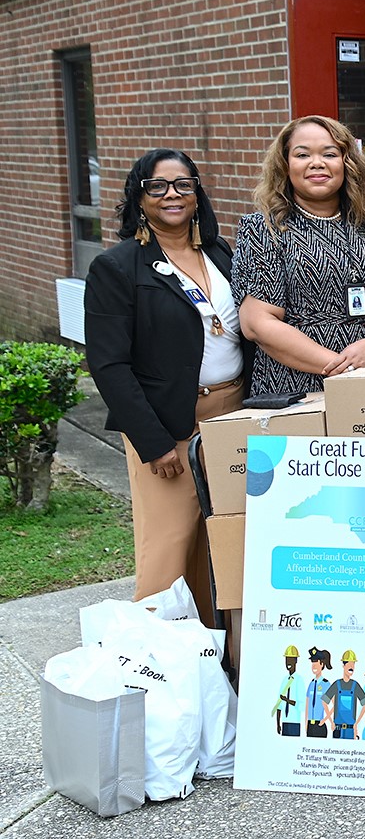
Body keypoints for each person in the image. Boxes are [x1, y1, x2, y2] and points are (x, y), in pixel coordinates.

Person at [85, 148, 248, 625]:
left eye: (183, 184)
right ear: (139, 196)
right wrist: (153, 444)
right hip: (169, 424)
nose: (172, 194)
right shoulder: (118, 268)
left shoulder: (220, 253)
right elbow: (110, 364)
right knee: (168, 554)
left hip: (232, 414)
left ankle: (211, 662)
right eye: (158, 186)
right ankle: (155, 672)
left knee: (220, 548)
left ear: (198, 193)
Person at [233, 115, 365, 395]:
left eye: (330, 154)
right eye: (302, 154)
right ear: (285, 165)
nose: (317, 163)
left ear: (347, 163)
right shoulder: (266, 229)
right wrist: (344, 368)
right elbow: (257, 324)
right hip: (295, 387)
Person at [324, 648, 365, 739]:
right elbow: (324, 701)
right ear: (343, 665)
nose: (352, 666)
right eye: (349, 663)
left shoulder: (355, 685)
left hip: (350, 730)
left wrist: (356, 723)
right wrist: (331, 722)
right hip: (337, 729)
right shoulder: (337, 684)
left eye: (353, 664)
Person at [272, 644, 305, 736]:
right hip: (284, 722)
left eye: (291, 659)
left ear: (296, 661)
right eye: (287, 659)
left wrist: (286, 700)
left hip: (295, 723)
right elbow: (279, 705)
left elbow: (301, 705)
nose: (288, 662)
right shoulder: (284, 681)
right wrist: (278, 723)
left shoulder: (299, 680)